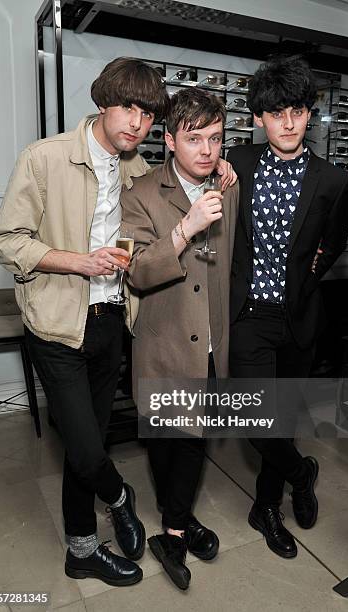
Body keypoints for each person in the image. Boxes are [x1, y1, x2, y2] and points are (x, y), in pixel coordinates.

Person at [0, 57, 171, 587]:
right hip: (55, 322)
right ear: (102, 102)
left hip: (111, 320)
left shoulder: (139, 170)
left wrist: (224, 167)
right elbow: (7, 240)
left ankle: (82, 549)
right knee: (88, 447)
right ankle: (119, 495)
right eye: (128, 108)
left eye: (148, 115)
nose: (137, 123)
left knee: (86, 443)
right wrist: (78, 260)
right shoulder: (45, 159)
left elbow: (186, 176)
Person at [228, 55, 348, 559]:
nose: (287, 122)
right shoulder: (235, 163)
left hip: (298, 317)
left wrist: (305, 279)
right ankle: (303, 474)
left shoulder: (333, 180)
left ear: (309, 115)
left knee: (281, 421)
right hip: (247, 316)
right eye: (276, 112)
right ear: (259, 116)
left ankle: (266, 508)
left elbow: (335, 242)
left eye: (297, 111)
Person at [121, 88, 239, 590]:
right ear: (169, 140)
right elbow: (136, 273)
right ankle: (178, 517)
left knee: (194, 439)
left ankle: (174, 526)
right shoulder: (142, 193)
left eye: (215, 139)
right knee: (165, 439)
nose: (207, 151)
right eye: (194, 140)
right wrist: (184, 229)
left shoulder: (228, 185)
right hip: (164, 343)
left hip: (211, 343)